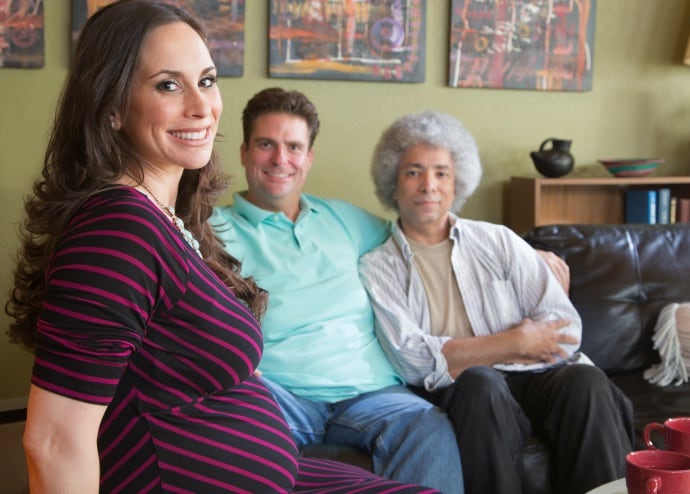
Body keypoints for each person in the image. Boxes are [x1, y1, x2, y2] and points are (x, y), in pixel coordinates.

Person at [5, 2, 439, 493]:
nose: (201, 106)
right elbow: (55, 441)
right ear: (111, 107)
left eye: (207, 80)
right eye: (168, 85)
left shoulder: (169, 220)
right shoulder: (117, 228)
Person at [359, 111, 635, 494]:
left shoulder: (499, 241)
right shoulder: (378, 267)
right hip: (464, 389)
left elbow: (566, 330)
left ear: (457, 185)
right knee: (480, 382)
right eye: (413, 172)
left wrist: (464, 351)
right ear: (392, 184)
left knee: (586, 381)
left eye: (441, 173)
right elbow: (414, 360)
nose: (429, 185)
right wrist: (516, 341)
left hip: (535, 379)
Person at [210, 87, 464, 493]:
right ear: (243, 152)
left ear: (309, 158)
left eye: (294, 146)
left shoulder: (343, 219)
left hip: (371, 392)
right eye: (265, 145)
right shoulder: (212, 230)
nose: (280, 159)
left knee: (427, 426)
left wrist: (526, 254)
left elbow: (426, 232)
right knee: (231, 429)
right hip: (277, 391)